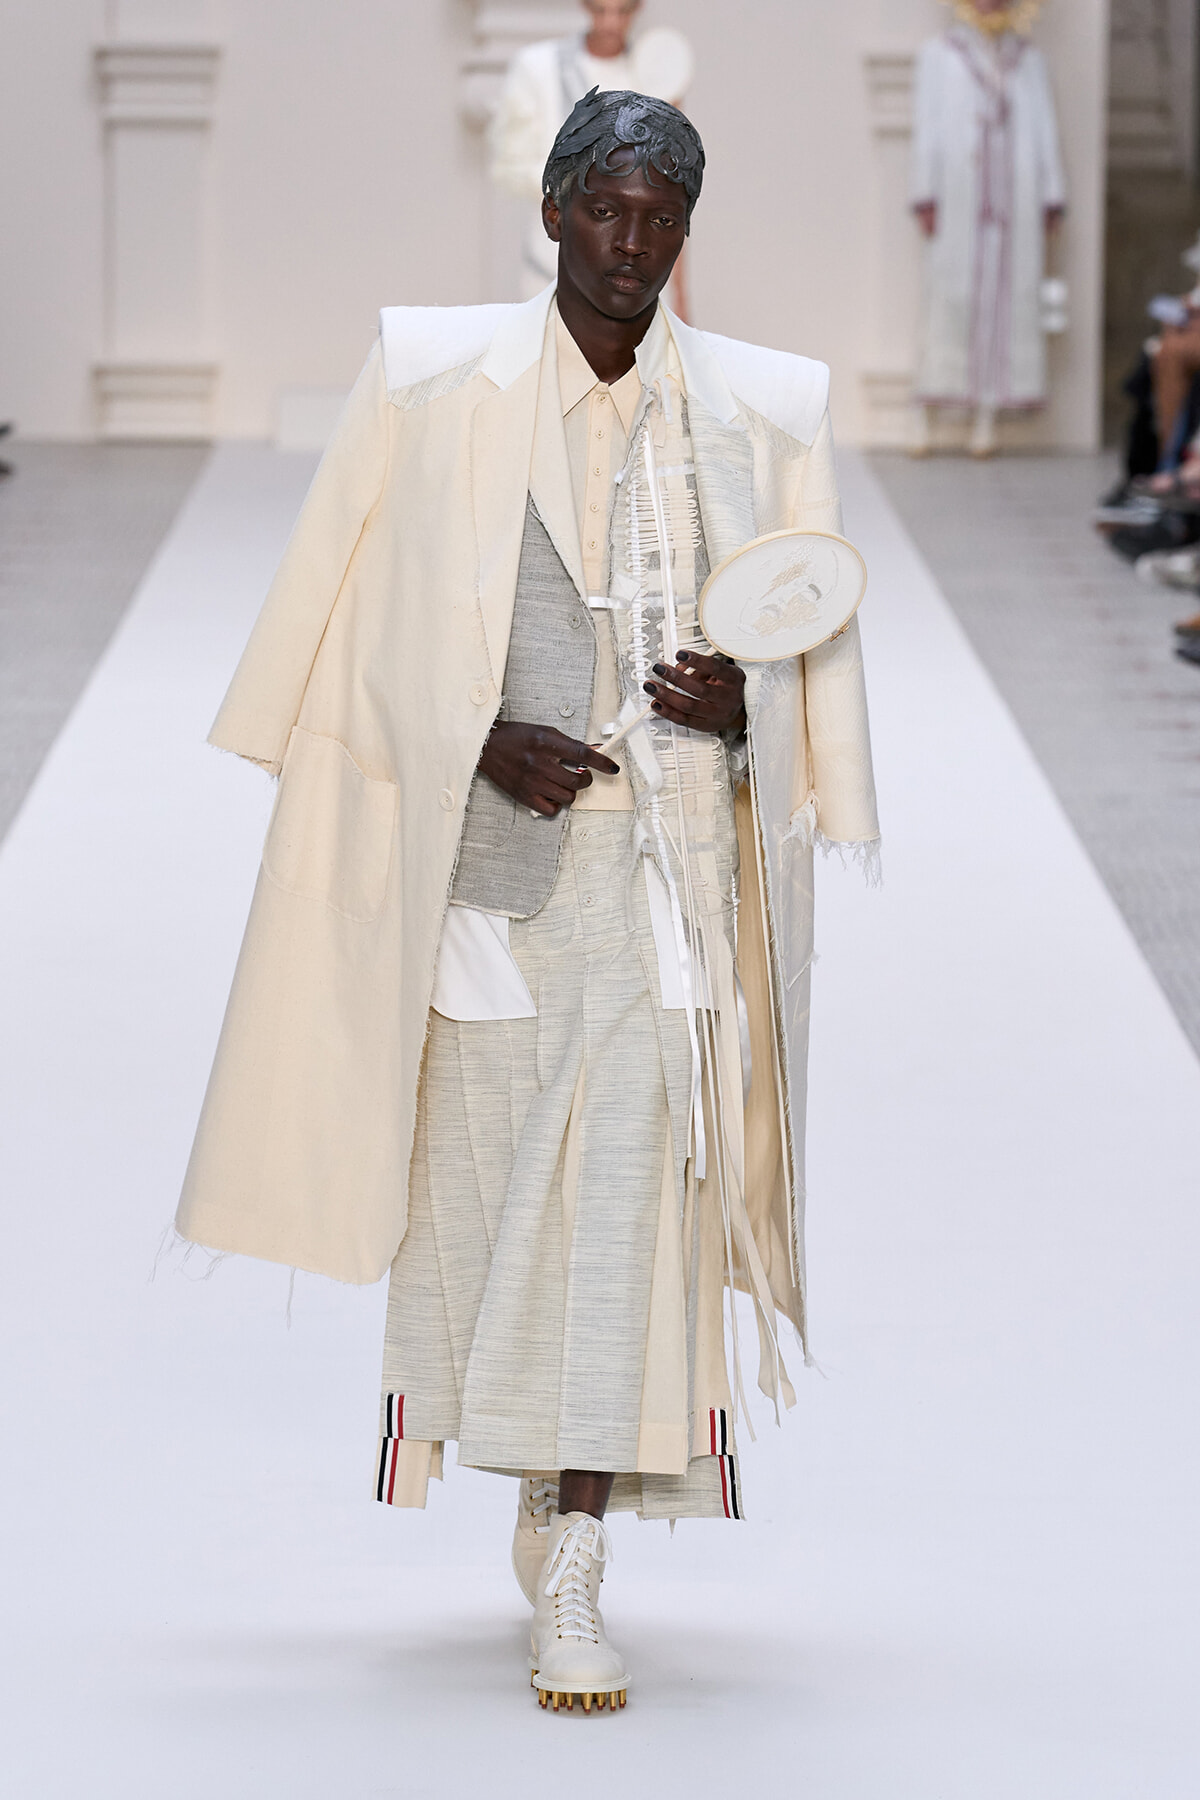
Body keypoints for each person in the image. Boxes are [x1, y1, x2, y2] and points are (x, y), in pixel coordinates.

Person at [176, 88, 879, 1713]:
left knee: (631, 1205)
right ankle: (532, 1478)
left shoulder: (763, 407)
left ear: (686, 234)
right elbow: (340, 623)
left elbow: (810, 633)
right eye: (610, 211)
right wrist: (475, 732)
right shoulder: (433, 384)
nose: (634, 246)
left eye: (664, 220)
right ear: (555, 210)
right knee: (494, 1202)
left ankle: (578, 1554)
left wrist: (748, 713)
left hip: (676, 875)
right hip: (493, 881)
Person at [909, 0, 1066, 458]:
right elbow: (928, 127)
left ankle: (988, 412)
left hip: (1014, 199)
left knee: (1010, 299)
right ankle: (927, 409)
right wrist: (925, 191)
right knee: (948, 296)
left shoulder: (1029, 60)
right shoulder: (940, 54)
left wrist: (1052, 192)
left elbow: (1044, 128)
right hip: (959, 196)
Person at [490, 1, 692, 304]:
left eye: (622, 11)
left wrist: (679, 297)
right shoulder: (538, 68)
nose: (611, 23)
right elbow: (510, 165)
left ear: (637, 9)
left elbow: (671, 198)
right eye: (601, 10)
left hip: (635, 271)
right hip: (553, 264)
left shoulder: (654, 76)